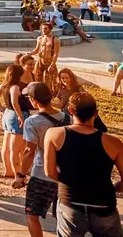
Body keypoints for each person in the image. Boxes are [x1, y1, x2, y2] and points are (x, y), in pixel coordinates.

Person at [45, 91, 123, 237]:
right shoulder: (113, 142)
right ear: (96, 113)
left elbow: (49, 171)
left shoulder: (54, 134)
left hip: (71, 201)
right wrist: (114, 187)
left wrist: (70, 181)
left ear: (70, 110)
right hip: (104, 204)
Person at [16, 81, 70, 237]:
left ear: (33, 100)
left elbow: (29, 151)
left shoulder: (32, 122)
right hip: (65, 176)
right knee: (63, 218)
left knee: (32, 215)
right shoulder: (67, 118)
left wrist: (21, 174)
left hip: (42, 174)